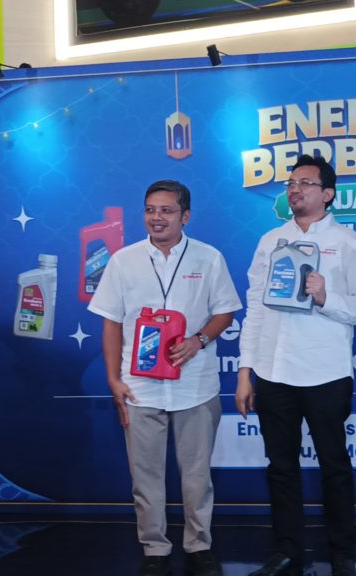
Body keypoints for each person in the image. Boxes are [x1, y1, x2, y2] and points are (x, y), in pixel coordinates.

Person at [235, 154, 356, 576]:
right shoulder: (270, 241)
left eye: (305, 183)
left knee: (334, 467)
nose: (295, 189)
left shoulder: (349, 242)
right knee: (281, 468)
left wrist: (325, 297)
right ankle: (286, 551)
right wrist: (246, 372)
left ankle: (342, 553)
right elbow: (255, 309)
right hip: (273, 371)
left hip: (326, 372)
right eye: (291, 183)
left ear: (328, 194)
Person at [88, 180, 242, 576]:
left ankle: (199, 544)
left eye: (167, 210)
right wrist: (113, 380)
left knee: (197, 476)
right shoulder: (123, 261)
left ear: (185, 216)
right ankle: (154, 547)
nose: (157, 218)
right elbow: (111, 323)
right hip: (139, 388)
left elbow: (225, 311)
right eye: (150, 210)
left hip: (196, 385)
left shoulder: (209, 258)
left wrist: (198, 340)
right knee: (145, 477)